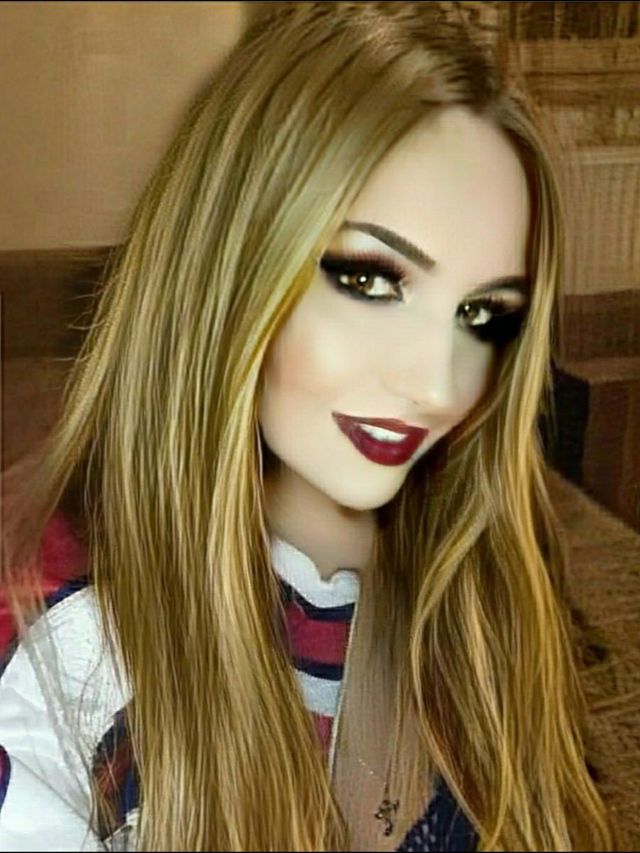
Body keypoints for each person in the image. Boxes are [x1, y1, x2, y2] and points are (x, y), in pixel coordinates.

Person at [0, 2, 616, 851]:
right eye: (370, 280)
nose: (437, 385)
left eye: (481, 315)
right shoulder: (63, 654)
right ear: (229, 261)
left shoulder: (486, 596)